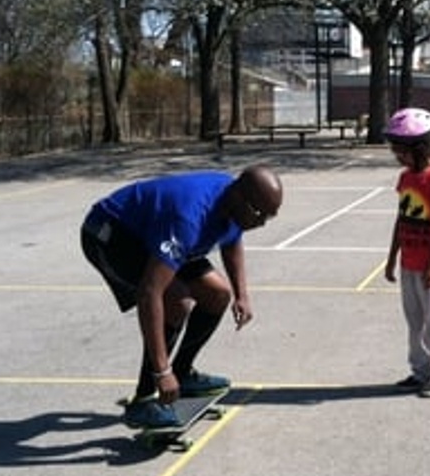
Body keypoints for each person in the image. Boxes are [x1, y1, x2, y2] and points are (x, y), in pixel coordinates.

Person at [80, 165, 283, 428]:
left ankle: (183, 373)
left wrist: (241, 294)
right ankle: (144, 399)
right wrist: (161, 372)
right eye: (259, 214)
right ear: (240, 199)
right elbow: (150, 292)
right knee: (176, 300)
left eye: (269, 217)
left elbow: (232, 239)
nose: (262, 223)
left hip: (154, 230)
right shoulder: (188, 217)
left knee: (218, 294)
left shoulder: (236, 202)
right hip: (112, 233)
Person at [382, 108, 430, 398]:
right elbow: (402, 219)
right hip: (409, 262)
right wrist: (391, 258)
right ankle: (421, 371)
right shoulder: (406, 178)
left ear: (420, 148)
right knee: (414, 320)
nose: (396, 155)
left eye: (400, 150)